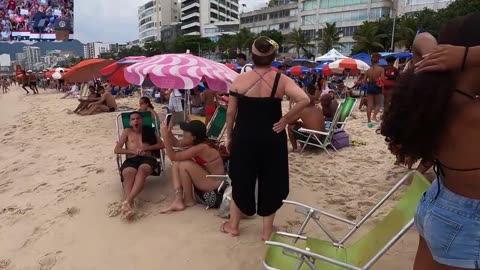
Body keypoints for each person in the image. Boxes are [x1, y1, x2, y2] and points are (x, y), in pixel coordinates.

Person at [379, 13, 480, 270]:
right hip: (467, 221)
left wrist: (454, 55)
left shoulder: (439, 99)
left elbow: (421, 40)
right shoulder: (472, 112)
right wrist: (468, 56)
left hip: (439, 204)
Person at [221, 36, 309, 240]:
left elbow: (230, 114)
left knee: (241, 179)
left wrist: (228, 137)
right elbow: (304, 99)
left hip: (245, 137)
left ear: (252, 57)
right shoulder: (282, 79)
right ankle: (267, 232)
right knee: (271, 180)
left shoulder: (239, 80)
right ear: (273, 57)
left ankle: (234, 226)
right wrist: (286, 119)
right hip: (272, 137)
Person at [159, 120, 225, 213]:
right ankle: (180, 199)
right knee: (178, 164)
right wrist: (169, 133)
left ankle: (187, 200)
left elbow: (173, 156)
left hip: (215, 183)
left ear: (193, 136)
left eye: (186, 132)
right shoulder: (198, 141)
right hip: (209, 178)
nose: (184, 133)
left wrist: (165, 137)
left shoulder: (202, 147)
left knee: (184, 164)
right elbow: (176, 143)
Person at [114, 111, 165, 220]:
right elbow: (117, 149)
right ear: (130, 122)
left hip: (147, 158)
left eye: (138, 118)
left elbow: (161, 144)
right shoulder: (127, 131)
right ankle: (130, 203)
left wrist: (146, 148)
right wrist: (132, 152)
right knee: (128, 172)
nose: (135, 121)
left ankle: (128, 200)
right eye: (133, 119)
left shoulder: (149, 131)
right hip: (132, 158)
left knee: (142, 170)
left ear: (142, 121)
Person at [287, 86, 325, 152]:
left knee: (290, 127)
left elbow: (289, 122)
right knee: (301, 124)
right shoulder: (318, 108)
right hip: (323, 138)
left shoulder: (303, 110)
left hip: (314, 139)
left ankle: (295, 148)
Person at [363, 53, 384, 128]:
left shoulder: (368, 70)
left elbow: (364, 81)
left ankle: (369, 121)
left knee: (370, 105)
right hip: (377, 86)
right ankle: (374, 116)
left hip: (370, 86)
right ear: (378, 60)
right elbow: (383, 79)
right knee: (378, 104)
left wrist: (369, 81)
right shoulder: (381, 69)